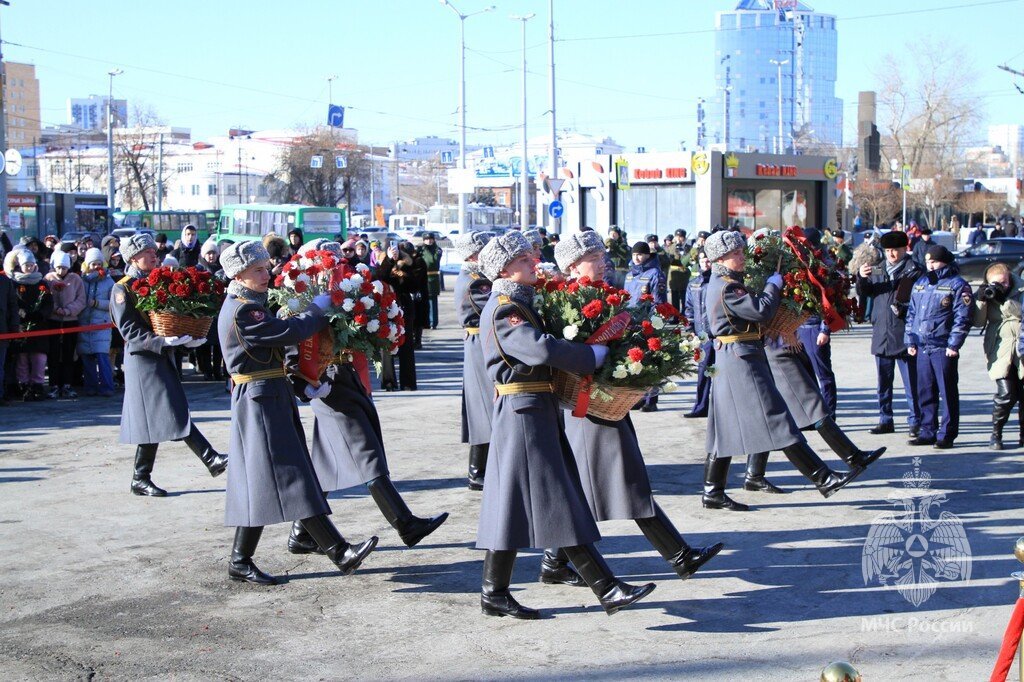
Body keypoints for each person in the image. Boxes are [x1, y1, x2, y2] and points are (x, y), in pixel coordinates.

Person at [475, 230, 655, 619]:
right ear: (504, 269)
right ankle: (607, 590)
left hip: (531, 407)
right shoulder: (505, 307)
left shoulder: (517, 303)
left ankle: (494, 593)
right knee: (559, 498)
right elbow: (538, 347)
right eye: (523, 260)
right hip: (523, 410)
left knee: (516, 502)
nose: (532, 262)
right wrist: (588, 355)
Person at [555, 230, 724, 581]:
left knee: (591, 486)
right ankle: (680, 556)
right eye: (594, 258)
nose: (603, 262)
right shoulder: (560, 301)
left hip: (605, 403)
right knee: (623, 481)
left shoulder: (605, 295)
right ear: (572, 265)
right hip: (587, 405)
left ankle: (553, 562)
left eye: (603, 256)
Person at [217, 241, 378, 585]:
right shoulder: (245, 309)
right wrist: (318, 309)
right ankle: (339, 551)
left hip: (268, 394)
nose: (266, 274)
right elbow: (289, 333)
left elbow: (270, 355)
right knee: (292, 475)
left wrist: (300, 385)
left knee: (266, 477)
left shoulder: (248, 304)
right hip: (260, 401)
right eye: (256, 270)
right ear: (238, 275)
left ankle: (241, 559)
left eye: (265, 267)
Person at [701, 230, 862, 512]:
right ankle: (823, 478)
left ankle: (712, 491)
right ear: (721, 259)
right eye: (735, 254)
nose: (741, 257)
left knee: (723, 428)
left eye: (740, 251)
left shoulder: (721, 283)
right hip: (742, 360)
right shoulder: (727, 286)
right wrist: (773, 285)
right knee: (777, 419)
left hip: (734, 357)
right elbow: (761, 310)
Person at [111, 233, 227, 496]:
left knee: (156, 416)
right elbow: (129, 330)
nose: (153, 255)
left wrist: (184, 341)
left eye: (154, 251)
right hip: (142, 359)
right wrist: (162, 341)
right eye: (146, 252)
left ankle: (140, 478)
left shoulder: (157, 283)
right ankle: (210, 458)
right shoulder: (123, 288)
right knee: (170, 408)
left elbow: (171, 317)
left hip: (161, 356)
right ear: (132, 257)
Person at [749, 340, 886, 494]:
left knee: (771, 415)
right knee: (808, 405)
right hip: (772, 347)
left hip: (777, 345)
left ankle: (753, 474)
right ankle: (845, 462)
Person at [905, 245, 973, 449]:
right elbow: (912, 314)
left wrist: (954, 344)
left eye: (934, 262)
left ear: (944, 261)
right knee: (925, 391)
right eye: (928, 262)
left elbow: (963, 317)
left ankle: (947, 434)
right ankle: (928, 431)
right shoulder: (921, 283)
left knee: (947, 391)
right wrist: (910, 339)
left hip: (943, 346)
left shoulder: (957, 285)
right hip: (922, 345)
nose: (930, 265)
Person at [856, 230, 923, 435]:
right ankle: (886, 419)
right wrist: (861, 278)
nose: (892, 254)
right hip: (882, 333)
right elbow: (864, 294)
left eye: (896, 250)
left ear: (905, 249)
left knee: (912, 384)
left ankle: (915, 421)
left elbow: (921, 303)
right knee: (883, 384)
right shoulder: (877, 270)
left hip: (905, 335)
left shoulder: (915, 271)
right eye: (888, 251)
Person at [453, 231, 495, 490]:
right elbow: (490, 307)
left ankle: (481, 469)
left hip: (482, 341)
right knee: (483, 407)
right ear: (472, 254)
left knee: (485, 406)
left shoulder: (479, 277)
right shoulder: (475, 281)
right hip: (480, 343)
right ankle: (477, 472)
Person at [973, 263, 1023, 449]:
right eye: (997, 283)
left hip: (1022, 346)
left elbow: (1021, 312)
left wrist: (1005, 301)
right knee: (1006, 393)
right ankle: (996, 433)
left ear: (1009, 278)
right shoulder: (988, 292)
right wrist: (980, 300)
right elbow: (978, 322)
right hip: (999, 348)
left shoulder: (1021, 288)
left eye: (1004, 282)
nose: (1001, 286)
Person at [794, 229, 837, 417]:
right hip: (798, 327)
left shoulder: (824, 267)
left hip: (814, 327)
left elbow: (830, 301)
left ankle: (828, 413)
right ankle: (813, 413)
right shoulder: (798, 264)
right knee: (805, 375)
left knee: (823, 373)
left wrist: (825, 329)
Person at [625, 241, 667, 411]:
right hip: (631, 323)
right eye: (634, 254)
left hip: (648, 323)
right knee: (636, 361)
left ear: (648, 255)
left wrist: (654, 322)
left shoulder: (655, 274)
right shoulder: (629, 275)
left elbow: (659, 302)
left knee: (651, 361)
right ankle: (639, 397)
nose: (637, 258)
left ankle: (652, 399)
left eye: (640, 254)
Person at [7, 249, 51, 401]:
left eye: (32, 264)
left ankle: (37, 385)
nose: (30, 267)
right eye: (26, 265)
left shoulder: (42, 283)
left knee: (39, 358)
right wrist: (21, 313)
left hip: (39, 326)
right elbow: (12, 302)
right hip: (21, 326)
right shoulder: (14, 283)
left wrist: (40, 314)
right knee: (22, 359)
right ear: (20, 265)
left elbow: (48, 303)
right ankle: (23, 385)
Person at [44, 250, 86, 399]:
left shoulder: (75, 279)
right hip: (53, 321)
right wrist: (56, 309)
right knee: (54, 353)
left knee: (69, 353)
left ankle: (68, 384)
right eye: (58, 267)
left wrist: (68, 310)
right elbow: (45, 298)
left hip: (71, 321)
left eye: (64, 267)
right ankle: (54, 385)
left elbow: (81, 299)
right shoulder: (48, 278)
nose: (61, 271)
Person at [77, 248, 116, 397]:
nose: (97, 267)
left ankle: (107, 387)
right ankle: (90, 386)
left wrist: (97, 303)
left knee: (102, 357)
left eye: (99, 263)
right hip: (84, 323)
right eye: (94, 264)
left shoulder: (109, 281)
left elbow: (113, 303)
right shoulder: (81, 280)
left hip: (102, 324)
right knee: (87, 358)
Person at [683, 249, 713, 418]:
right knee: (703, 372)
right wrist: (689, 330)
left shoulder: (717, 281)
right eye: (702, 260)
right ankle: (701, 407)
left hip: (716, 334)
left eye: (708, 260)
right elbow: (688, 308)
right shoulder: (694, 283)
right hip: (701, 335)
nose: (705, 263)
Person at [0, 243, 20, 406]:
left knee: (1, 365)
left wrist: (14, 327)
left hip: (3, 331)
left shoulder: (5, 282)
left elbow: (13, 305)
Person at [418, 232, 443, 330]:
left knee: (433, 302)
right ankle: (425, 321)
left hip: (433, 278)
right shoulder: (421, 250)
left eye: (431, 239)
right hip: (423, 278)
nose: (429, 241)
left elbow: (433, 261)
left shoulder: (437, 250)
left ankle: (433, 322)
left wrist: (426, 250)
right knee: (423, 301)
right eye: (427, 239)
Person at [666, 229, 692, 311]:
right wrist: (675, 246)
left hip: (684, 276)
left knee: (685, 297)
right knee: (674, 298)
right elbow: (670, 258)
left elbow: (687, 260)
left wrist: (684, 250)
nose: (679, 239)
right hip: (674, 276)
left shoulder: (688, 247)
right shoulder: (671, 247)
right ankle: (675, 316)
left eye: (681, 237)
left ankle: (685, 315)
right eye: (677, 237)